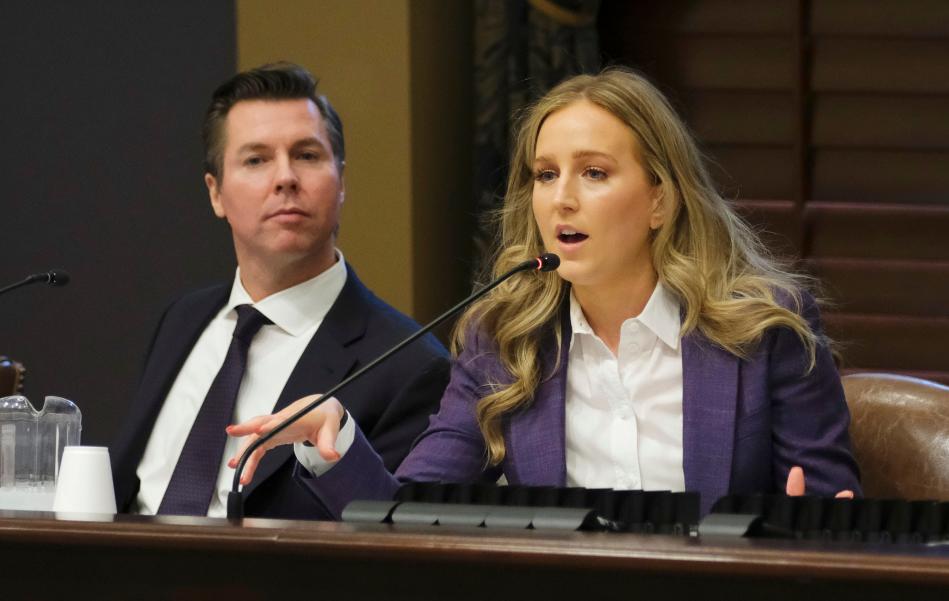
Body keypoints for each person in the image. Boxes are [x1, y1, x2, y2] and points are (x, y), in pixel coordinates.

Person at [227, 68, 860, 518]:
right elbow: (407, 516)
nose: (562, 198)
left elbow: (835, 511)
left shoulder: (764, 329)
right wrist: (334, 437)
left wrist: (806, 538)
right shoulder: (502, 341)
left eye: (594, 173)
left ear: (660, 200)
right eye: (545, 174)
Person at [111, 63, 449, 520]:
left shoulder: (408, 363)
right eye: (256, 160)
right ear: (216, 193)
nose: (285, 177)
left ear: (342, 181)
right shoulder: (183, 319)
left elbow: (395, 544)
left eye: (307, 155)